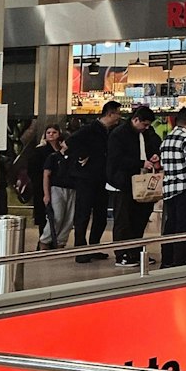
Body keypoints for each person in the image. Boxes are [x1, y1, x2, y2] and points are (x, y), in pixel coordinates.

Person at [68, 102, 124, 263]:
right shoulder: (90, 129)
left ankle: (93, 246)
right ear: (110, 114)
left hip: (102, 178)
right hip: (86, 178)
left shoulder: (111, 131)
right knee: (83, 213)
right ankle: (80, 249)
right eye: (118, 113)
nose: (119, 117)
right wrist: (82, 155)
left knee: (101, 215)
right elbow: (71, 142)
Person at [106, 105, 160, 267]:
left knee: (139, 219)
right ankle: (121, 254)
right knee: (124, 220)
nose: (146, 127)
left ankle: (135, 252)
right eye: (144, 124)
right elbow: (116, 159)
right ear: (135, 120)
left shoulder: (147, 134)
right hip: (123, 183)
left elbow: (154, 145)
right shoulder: (119, 134)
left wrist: (154, 156)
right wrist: (140, 162)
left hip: (143, 182)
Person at [157, 107, 186, 267]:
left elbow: (163, 164)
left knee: (170, 224)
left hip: (169, 189)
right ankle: (179, 261)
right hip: (185, 188)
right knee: (184, 226)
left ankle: (166, 260)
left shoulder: (166, 139)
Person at [25, 125, 71, 250]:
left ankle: (56, 242)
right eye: (48, 132)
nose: (51, 134)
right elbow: (34, 171)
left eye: (54, 132)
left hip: (60, 186)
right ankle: (44, 242)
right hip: (43, 187)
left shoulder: (65, 152)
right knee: (48, 216)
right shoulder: (40, 151)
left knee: (63, 217)